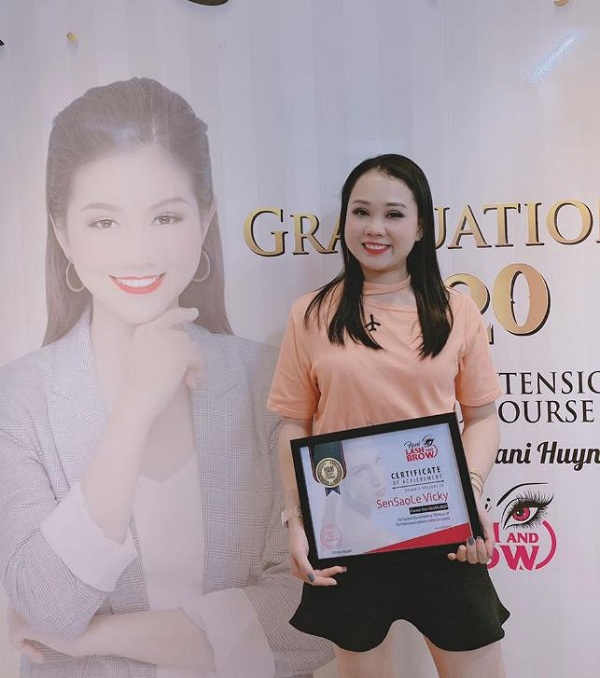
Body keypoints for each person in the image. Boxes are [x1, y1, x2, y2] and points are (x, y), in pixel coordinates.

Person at [0, 77, 332, 678]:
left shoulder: (268, 379)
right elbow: (47, 603)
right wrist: (135, 408)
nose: (139, 251)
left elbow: (315, 612)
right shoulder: (19, 398)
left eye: (165, 217)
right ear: (62, 232)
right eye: (104, 222)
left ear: (205, 220)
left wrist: (94, 638)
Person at [268, 154, 510, 678]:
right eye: (361, 212)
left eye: (394, 214)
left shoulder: (455, 311)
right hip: (346, 534)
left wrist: (469, 492)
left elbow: (482, 417)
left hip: (443, 529)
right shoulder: (311, 314)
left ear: (420, 227)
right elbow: (293, 424)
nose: (375, 228)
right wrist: (297, 519)